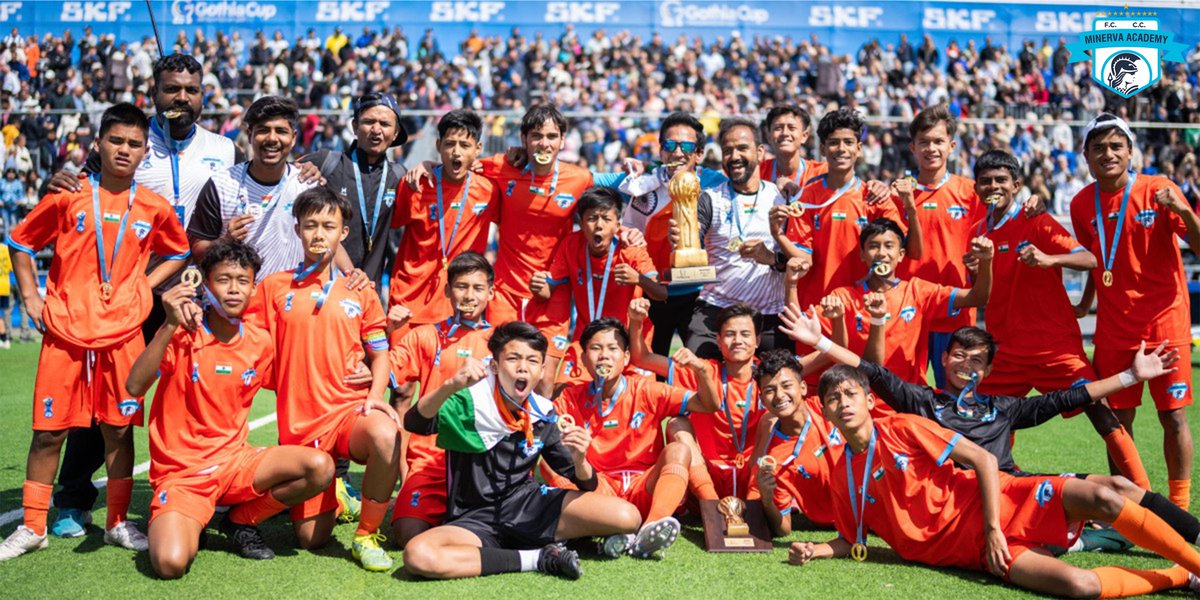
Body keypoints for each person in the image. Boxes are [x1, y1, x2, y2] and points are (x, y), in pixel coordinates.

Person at [787, 362, 1200, 599]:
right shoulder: (843, 472)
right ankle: (1181, 576)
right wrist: (814, 549)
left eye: (849, 394)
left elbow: (984, 460)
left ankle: (1195, 561)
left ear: (868, 399)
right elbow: (850, 538)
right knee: (1081, 587)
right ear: (823, 411)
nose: (842, 404)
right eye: (833, 399)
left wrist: (992, 528)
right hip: (977, 553)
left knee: (1104, 495)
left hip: (1002, 503)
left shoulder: (903, 427)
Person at [44, 54, 243, 539]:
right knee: (105, 402)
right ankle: (74, 499)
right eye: (172, 89)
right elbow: (84, 192)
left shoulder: (224, 148)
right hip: (128, 291)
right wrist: (61, 180)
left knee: (200, 393)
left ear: (203, 95)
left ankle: (203, 488)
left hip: (200, 292)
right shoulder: (129, 142)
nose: (181, 98)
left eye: (190, 90)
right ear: (154, 92)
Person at [0, 103, 190, 560]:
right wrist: (30, 297)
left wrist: (143, 285)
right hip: (66, 332)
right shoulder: (68, 195)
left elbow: (179, 251)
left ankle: (117, 524)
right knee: (49, 433)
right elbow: (21, 241)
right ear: (99, 144)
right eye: (116, 141)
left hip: (123, 333)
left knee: (119, 431)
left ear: (146, 151)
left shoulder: (153, 206)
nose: (124, 150)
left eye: (134, 144)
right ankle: (32, 526)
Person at [125, 240, 334, 577]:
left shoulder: (260, 341)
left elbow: (300, 378)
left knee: (319, 467)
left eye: (243, 280)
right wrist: (167, 324)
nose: (234, 289)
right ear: (205, 286)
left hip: (236, 462)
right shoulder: (183, 332)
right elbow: (134, 386)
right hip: (184, 475)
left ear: (254, 287)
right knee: (170, 563)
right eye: (223, 280)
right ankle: (190, 517)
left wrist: (363, 369)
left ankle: (240, 519)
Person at [401, 321, 643, 580]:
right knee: (418, 554)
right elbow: (415, 422)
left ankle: (564, 541)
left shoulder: (543, 412)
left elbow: (582, 481)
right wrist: (451, 385)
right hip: (474, 518)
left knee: (627, 516)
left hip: (528, 506)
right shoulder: (469, 401)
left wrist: (581, 459)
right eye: (513, 358)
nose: (522, 368)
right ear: (494, 365)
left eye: (532, 361)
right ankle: (538, 557)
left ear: (541, 370)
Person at [244, 187, 400, 571]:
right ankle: (336, 497)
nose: (319, 234)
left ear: (343, 232)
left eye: (328, 226)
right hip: (300, 424)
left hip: (348, 412)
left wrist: (375, 396)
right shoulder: (273, 287)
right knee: (310, 540)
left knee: (385, 433)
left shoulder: (360, 290)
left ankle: (366, 535)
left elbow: (380, 352)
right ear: (296, 229)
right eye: (310, 225)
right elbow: (250, 345)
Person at [973, 148, 1149, 490]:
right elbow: (982, 293)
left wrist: (1048, 259)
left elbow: (1090, 259)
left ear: (1016, 185)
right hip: (1005, 350)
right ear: (977, 188)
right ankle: (1000, 487)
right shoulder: (978, 232)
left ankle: (1146, 497)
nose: (993, 186)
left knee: (1099, 409)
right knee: (985, 417)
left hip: (1055, 349)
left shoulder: (1036, 220)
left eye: (1001, 180)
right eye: (986, 181)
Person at [1069, 113, 1200, 509]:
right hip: (1114, 329)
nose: (1107, 154)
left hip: (1165, 323)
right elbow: (1097, 258)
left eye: (1115, 146)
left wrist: (1186, 211)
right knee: (1117, 426)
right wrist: (1086, 302)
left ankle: (1177, 505)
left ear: (1130, 152)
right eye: (1098, 148)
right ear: (1087, 157)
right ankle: (1128, 510)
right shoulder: (1080, 203)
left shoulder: (1159, 189)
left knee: (1172, 416)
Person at [549, 318, 717, 558]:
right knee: (550, 461)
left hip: (645, 487)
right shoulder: (569, 399)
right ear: (584, 359)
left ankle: (650, 528)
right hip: (599, 489)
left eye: (613, 348)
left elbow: (708, 405)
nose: (604, 355)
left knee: (679, 450)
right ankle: (615, 528)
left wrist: (701, 370)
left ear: (626, 357)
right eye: (595, 349)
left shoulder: (647, 390)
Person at [388, 251, 496, 547]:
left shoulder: (503, 341)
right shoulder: (426, 335)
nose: (469, 295)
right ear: (447, 291)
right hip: (431, 460)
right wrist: (390, 332)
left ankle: (459, 521)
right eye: (461, 286)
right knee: (406, 536)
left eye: (478, 288)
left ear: (491, 292)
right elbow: (386, 373)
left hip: (481, 462)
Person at [667, 117, 792, 357]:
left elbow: (802, 259)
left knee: (780, 385)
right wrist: (681, 239)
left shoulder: (781, 197)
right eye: (728, 150)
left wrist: (771, 258)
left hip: (768, 315)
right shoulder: (709, 198)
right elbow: (691, 238)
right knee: (696, 377)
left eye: (742, 148)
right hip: (716, 311)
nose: (734, 156)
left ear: (760, 152)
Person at [821, 218, 993, 391]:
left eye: (889, 246)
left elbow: (977, 298)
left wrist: (986, 262)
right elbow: (821, 340)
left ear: (901, 254)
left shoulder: (917, 291)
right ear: (862, 254)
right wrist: (792, 284)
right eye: (873, 246)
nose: (881, 253)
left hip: (908, 399)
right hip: (862, 397)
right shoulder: (843, 297)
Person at [778, 108, 917, 315]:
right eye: (834, 143)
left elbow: (903, 251)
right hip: (817, 309)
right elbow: (804, 259)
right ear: (823, 148)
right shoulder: (806, 199)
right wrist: (777, 234)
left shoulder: (875, 198)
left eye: (848, 142)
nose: (841, 149)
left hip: (864, 310)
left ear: (859, 148)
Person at [629, 299, 766, 501]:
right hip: (705, 475)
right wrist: (636, 322)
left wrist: (820, 339)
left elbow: (815, 363)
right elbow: (642, 358)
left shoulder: (770, 373)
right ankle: (710, 504)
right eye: (730, 334)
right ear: (718, 341)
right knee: (677, 424)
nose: (737, 340)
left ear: (757, 341)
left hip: (752, 475)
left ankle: (755, 505)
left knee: (772, 420)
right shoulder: (702, 369)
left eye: (745, 334)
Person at [616, 112, 727, 358]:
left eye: (687, 145)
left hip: (700, 293)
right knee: (650, 369)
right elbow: (602, 183)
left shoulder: (717, 184)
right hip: (653, 290)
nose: (678, 152)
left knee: (701, 367)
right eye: (670, 145)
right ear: (660, 151)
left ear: (699, 153)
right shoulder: (644, 184)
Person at [531, 186, 664, 386]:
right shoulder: (570, 245)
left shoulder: (630, 249)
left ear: (618, 224)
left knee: (642, 404)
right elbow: (546, 291)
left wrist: (638, 279)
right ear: (582, 223)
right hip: (587, 342)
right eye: (592, 218)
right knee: (562, 396)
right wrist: (537, 285)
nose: (599, 226)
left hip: (630, 344)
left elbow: (661, 293)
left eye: (606, 219)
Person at [188, 96, 332, 280]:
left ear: (293, 138)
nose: (272, 139)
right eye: (263, 130)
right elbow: (198, 250)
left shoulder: (308, 185)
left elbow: (330, 243)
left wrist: (352, 273)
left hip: (290, 300)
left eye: (281, 131)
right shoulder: (221, 184)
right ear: (250, 135)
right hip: (239, 302)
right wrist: (225, 242)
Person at [892, 105, 984, 387]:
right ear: (913, 147)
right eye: (924, 142)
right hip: (910, 312)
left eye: (938, 141)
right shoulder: (898, 195)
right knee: (906, 393)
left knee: (958, 394)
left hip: (956, 311)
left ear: (951, 146)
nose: (931, 148)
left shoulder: (971, 192)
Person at [389, 109, 496, 341]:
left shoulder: (489, 191)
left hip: (458, 302)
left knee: (450, 375)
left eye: (465, 145)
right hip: (410, 298)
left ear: (478, 149)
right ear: (438, 146)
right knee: (400, 375)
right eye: (449, 144)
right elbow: (391, 224)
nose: (456, 152)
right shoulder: (416, 185)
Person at [301, 92, 407, 286]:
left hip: (369, 293)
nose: (376, 130)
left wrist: (427, 164)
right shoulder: (325, 163)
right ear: (355, 127)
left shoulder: (399, 177)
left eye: (384, 124)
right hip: (320, 290)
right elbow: (276, 176)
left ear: (396, 133)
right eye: (369, 122)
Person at [747, 350, 840, 535]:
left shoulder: (830, 409)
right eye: (770, 390)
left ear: (803, 387)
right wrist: (767, 500)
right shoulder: (772, 459)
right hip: (834, 523)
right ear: (762, 400)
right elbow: (784, 529)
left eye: (786, 385)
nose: (780, 395)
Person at [758, 104, 827, 199]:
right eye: (778, 128)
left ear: (804, 136)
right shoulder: (757, 172)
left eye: (792, 128)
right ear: (769, 136)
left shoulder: (821, 173)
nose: (785, 133)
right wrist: (772, 187)